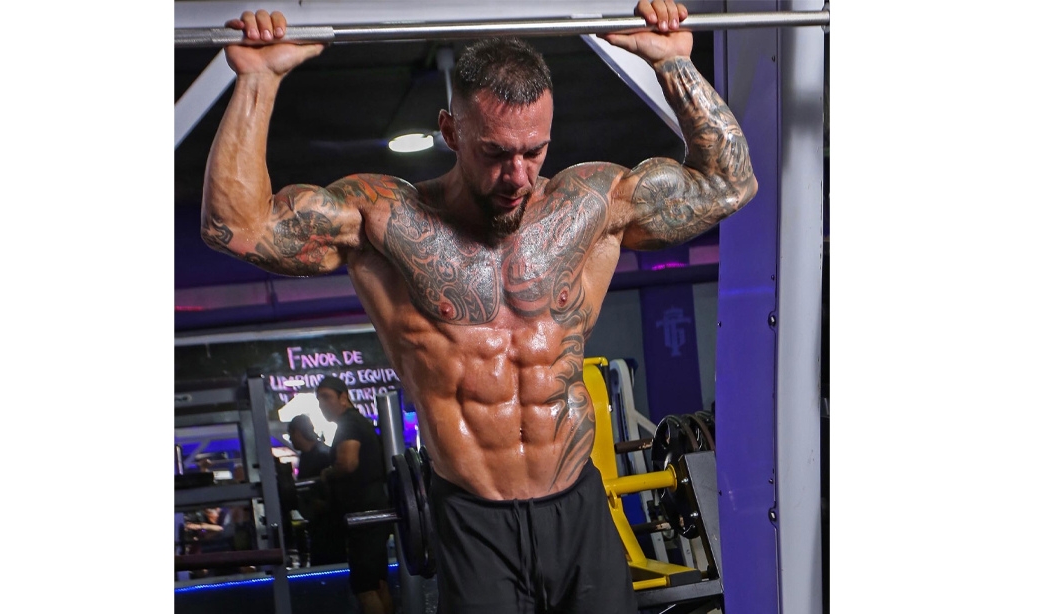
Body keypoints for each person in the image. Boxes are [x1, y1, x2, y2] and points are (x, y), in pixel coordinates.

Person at [201, 0, 757, 610]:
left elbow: (729, 184)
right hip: (473, 521)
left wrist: (674, 65)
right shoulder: (386, 221)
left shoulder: (591, 206)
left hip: (578, 503)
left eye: (534, 151)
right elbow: (237, 228)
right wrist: (257, 81)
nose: (517, 175)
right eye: (495, 153)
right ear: (451, 132)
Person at [315, 376, 393, 614]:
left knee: (364, 587)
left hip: (363, 516)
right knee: (377, 583)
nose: (322, 404)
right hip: (372, 512)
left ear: (343, 397)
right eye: (319, 399)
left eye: (326, 397)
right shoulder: (358, 422)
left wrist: (328, 473)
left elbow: (348, 463)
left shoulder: (349, 423)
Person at [288, 413, 348, 567]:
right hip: (321, 526)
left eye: (291, 434)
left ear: (297, 432)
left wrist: (324, 504)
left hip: (330, 528)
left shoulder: (321, 455)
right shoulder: (312, 455)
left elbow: (338, 488)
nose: (290, 439)